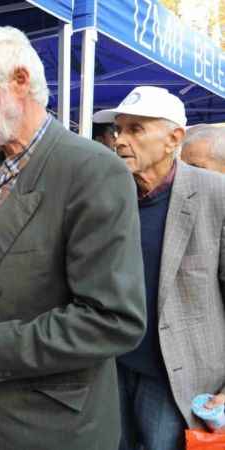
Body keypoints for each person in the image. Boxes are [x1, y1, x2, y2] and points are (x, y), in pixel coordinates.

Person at [0, 27, 147, 450]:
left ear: (20, 82)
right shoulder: (0, 168)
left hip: (50, 429)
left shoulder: (94, 171)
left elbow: (113, 321)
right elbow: (8, 269)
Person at [95, 86, 225, 450]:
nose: (120, 140)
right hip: (113, 365)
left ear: (173, 139)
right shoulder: (110, 195)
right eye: (118, 129)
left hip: (177, 379)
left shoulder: (216, 194)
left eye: (136, 129)